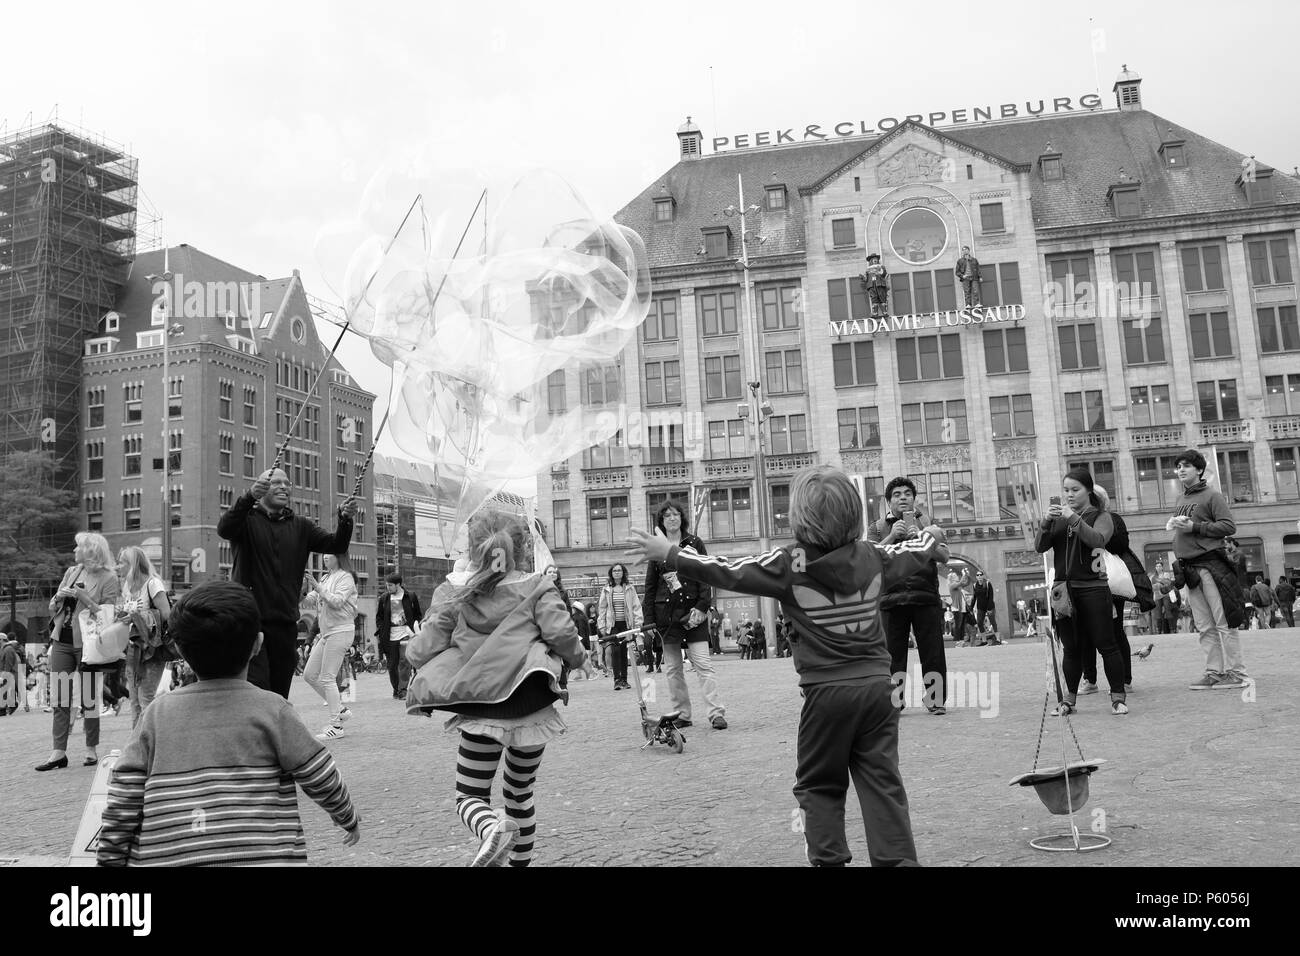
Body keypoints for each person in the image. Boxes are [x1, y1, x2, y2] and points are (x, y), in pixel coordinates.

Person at [629, 465, 950, 866]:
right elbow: (913, 551)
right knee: (883, 784)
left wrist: (672, 554)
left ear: (799, 518)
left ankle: (829, 859)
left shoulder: (788, 563)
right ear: (854, 514)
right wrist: (931, 535)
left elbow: (728, 570)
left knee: (819, 784)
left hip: (826, 696)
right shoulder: (872, 555)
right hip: (878, 691)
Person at [96, 581, 360, 865]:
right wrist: (346, 815)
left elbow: (124, 796)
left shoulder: (156, 715)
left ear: (181, 652)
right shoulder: (273, 710)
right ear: (257, 644)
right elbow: (319, 773)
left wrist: (110, 858)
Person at [406, 511, 591, 867]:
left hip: (483, 707)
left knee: (470, 795)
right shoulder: (539, 586)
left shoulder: (457, 592)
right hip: (533, 704)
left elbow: (421, 651)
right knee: (520, 793)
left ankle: (491, 827)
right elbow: (563, 635)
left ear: (473, 550)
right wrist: (581, 658)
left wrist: (415, 645)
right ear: (523, 549)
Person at [217, 467, 355, 698]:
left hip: (285, 622)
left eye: (287, 483)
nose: (284, 486)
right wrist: (249, 496)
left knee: (280, 692)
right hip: (251, 621)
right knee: (257, 688)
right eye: (276, 482)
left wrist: (344, 520)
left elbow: (336, 545)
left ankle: (276, 733)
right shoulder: (246, 520)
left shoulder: (302, 526)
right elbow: (224, 529)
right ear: (262, 489)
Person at [1035, 467, 1128, 716]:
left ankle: (1118, 698)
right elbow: (1039, 546)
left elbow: (1097, 540)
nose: (1069, 495)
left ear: (1088, 490)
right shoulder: (1058, 519)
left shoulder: (1101, 516)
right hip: (1064, 592)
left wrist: (1072, 518)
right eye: (1066, 490)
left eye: (1075, 490)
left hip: (1094, 589)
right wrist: (1045, 521)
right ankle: (1069, 700)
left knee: (1106, 644)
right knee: (1071, 648)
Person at [37, 532, 121, 771]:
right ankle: (58, 752)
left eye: (78, 547)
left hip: (88, 644)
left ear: (91, 550)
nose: (74, 551)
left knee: (89, 698)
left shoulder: (109, 578)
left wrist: (84, 596)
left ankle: (91, 749)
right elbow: (54, 605)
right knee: (60, 697)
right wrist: (57, 597)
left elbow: (108, 614)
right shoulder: (72, 572)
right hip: (62, 640)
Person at [641, 500, 727, 729]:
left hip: (693, 613)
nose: (672, 518)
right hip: (666, 616)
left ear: (682, 518)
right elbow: (650, 587)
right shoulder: (656, 548)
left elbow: (706, 574)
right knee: (673, 669)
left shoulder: (694, 543)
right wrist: (648, 620)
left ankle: (716, 713)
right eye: (667, 515)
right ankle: (682, 714)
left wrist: (702, 606)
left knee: (703, 664)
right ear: (661, 520)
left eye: (676, 514)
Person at [868, 478, 951, 713]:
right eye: (896, 494)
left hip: (925, 594)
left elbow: (944, 557)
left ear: (914, 499)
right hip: (891, 598)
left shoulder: (927, 522)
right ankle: (895, 701)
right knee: (892, 657)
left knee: (932, 652)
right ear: (888, 501)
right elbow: (869, 559)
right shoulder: (877, 527)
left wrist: (923, 537)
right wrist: (892, 536)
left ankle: (935, 701)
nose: (902, 497)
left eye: (907, 493)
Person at [1171, 450, 1250, 690]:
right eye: (1178, 467)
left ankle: (1237, 672)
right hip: (1190, 568)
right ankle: (1214, 672)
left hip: (1210, 565)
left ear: (1199, 470)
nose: (1181, 470)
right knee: (1204, 625)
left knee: (1223, 620)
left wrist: (1195, 527)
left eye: (1186, 466)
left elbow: (1228, 526)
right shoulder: (1181, 498)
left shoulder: (1212, 495)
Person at [303, 553, 359, 741]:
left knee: (327, 677)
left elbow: (336, 602)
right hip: (327, 632)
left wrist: (317, 586)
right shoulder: (326, 577)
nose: (325, 557)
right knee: (309, 674)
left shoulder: (346, 577)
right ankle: (341, 709)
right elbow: (311, 599)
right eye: (324, 555)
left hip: (341, 630)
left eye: (329, 554)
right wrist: (303, 587)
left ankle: (336, 725)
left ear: (339, 556)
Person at [116, 546, 173, 729]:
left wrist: (137, 616)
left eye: (122, 562)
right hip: (134, 647)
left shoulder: (153, 583)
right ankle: (137, 747)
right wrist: (124, 616)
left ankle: (150, 743)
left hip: (152, 648)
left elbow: (167, 614)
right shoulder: (127, 586)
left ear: (133, 565)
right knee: (134, 703)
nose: (118, 567)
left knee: (145, 699)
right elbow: (130, 614)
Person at [376, 572, 422, 701]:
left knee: (404, 662)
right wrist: (381, 629)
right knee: (392, 665)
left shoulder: (411, 596)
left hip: (406, 634)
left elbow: (418, 615)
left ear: (398, 584)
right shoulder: (384, 598)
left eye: (390, 585)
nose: (388, 588)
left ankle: (403, 690)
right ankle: (396, 689)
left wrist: (416, 628)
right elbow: (379, 617)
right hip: (389, 636)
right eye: (387, 585)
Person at [598, 563, 643, 691]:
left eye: (619, 570)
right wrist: (601, 625)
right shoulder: (606, 589)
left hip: (626, 624)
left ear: (623, 572)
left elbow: (636, 606)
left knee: (624, 651)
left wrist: (638, 623)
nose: (617, 572)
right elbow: (602, 608)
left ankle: (624, 679)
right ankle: (617, 680)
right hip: (613, 625)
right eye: (614, 570)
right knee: (615, 651)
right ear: (611, 573)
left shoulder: (630, 588)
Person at [971, 571, 1001, 644]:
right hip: (980, 607)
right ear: (976, 577)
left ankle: (998, 639)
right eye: (977, 575)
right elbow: (974, 597)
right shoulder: (975, 585)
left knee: (993, 622)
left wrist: (989, 608)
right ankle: (984, 641)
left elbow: (991, 596)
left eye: (981, 575)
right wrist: (971, 607)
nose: (979, 576)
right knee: (979, 623)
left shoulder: (987, 584)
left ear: (983, 576)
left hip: (989, 606)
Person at [947, 568, 974, 646]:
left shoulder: (958, 585)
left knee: (962, 625)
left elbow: (967, 583)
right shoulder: (952, 585)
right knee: (958, 625)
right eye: (955, 576)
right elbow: (962, 582)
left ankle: (961, 641)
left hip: (962, 608)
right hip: (957, 608)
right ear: (952, 578)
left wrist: (968, 576)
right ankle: (957, 641)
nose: (957, 576)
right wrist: (963, 574)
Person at [1152, 560, 1179, 634]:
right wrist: (1161, 584)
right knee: (1158, 612)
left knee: (1168, 610)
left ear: (1162, 567)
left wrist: (1159, 584)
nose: (1158, 567)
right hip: (1157, 595)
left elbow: (1169, 583)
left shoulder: (1166, 574)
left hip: (1166, 594)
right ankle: (1159, 630)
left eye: (1160, 566)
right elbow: (1153, 587)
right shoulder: (1153, 577)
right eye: (1157, 566)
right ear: (1155, 567)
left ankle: (1172, 629)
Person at [860, 252, 889, 317]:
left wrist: (879, 272)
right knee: (874, 298)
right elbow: (866, 279)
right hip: (872, 285)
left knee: (882, 297)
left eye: (876, 259)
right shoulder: (868, 270)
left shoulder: (881, 267)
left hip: (879, 284)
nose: (875, 260)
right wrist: (862, 278)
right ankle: (875, 313)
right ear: (871, 261)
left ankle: (884, 312)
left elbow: (884, 274)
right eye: (873, 259)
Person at [0, 635, 21, 716]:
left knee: (3, 691)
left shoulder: (8, 649)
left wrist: (3, 676)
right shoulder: (4, 648)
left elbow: (8, 664)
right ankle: (10, 705)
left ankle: (3, 709)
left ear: (1, 639)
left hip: (8, 674)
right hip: (5, 673)